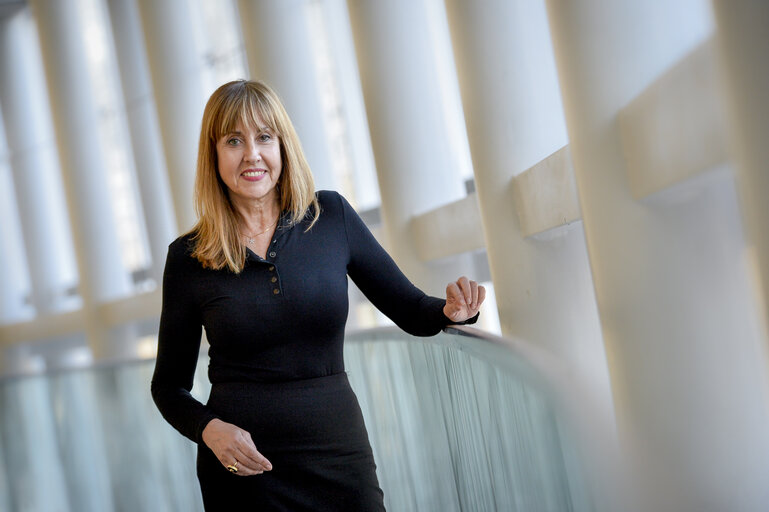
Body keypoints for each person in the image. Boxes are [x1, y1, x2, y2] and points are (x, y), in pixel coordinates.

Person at [151, 79, 486, 511]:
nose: (251, 154)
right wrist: (209, 429)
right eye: (234, 140)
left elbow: (410, 309)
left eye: (264, 137)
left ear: (283, 146)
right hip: (244, 469)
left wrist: (452, 310)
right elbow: (168, 386)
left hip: (338, 455)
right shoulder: (189, 257)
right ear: (214, 155)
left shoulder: (330, 218)